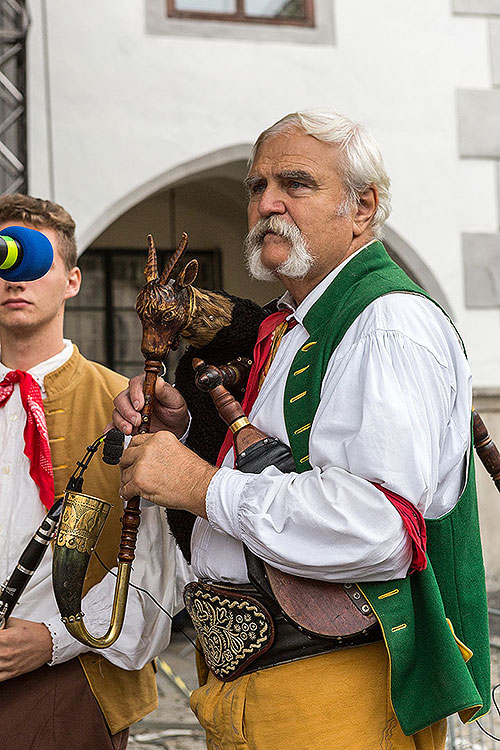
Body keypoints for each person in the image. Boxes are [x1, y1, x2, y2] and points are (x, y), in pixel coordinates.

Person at [113, 110, 490, 749]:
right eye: (257, 187)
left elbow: (379, 523)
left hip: (337, 688)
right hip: (261, 678)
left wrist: (202, 485)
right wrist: (184, 436)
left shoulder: (389, 325)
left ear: (363, 206)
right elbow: (279, 470)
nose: (269, 203)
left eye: (296, 183)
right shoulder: (294, 325)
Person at [0, 194, 190, 750]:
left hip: (74, 684)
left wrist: (51, 638)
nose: (15, 278)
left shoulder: (130, 407)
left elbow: (156, 571)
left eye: (34, 261)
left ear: (74, 281)